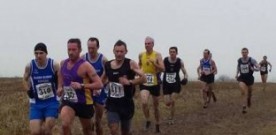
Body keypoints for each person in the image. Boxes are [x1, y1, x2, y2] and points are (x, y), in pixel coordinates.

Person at [58, 38, 103, 135]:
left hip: (84, 102)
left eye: (74, 50)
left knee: (88, 131)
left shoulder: (86, 66)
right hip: (69, 101)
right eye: (69, 49)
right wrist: (60, 87)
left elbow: (99, 84)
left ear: (80, 50)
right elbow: (60, 75)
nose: (70, 52)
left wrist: (82, 86)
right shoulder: (63, 63)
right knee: (65, 125)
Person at [103, 40, 146, 135]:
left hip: (126, 103)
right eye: (117, 51)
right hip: (112, 103)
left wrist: (130, 81)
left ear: (126, 51)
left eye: (121, 51)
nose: (119, 54)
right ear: (113, 51)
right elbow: (103, 78)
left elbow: (144, 79)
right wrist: (98, 87)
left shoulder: (130, 63)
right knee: (113, 129)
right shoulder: (108, 65)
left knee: (125, 131)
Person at [23, 43, 60, 135]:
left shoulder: (54, 64)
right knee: (35, 132)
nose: (38, 55)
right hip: (36, 104)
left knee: (47, 131)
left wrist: (59, 87)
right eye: (36, 53)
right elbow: (24, 79)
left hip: (51, 102)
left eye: (41, 53)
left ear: (46, 53)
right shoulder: (30, 65)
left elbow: (60, 78)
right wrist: (28, 90)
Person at [82, 37, 108, 135]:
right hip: (87, 91)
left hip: (99, 93)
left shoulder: (103, 60)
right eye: (89, 48)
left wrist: (100, 85)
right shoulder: (83, 58)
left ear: (98, 47)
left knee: (98, 122)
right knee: (89, 123)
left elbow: (108, 75)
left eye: (93, 48)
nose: (91, 50)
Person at [138, 36, 164, 133]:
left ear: (153, 44)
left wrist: (155, 64)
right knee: (144, 102)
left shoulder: (157, 55)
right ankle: (148, 120)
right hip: (144, 82)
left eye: (149, 43)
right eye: (145, 43)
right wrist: (139, 72)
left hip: (155, 82)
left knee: (156, 106)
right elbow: (139, 65)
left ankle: (157, 123)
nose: (147, 45)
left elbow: (163, 68)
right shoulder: (141, 55)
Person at [162, 46, 188, 124]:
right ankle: (170, 112)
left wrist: (185, 78)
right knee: (167, 103)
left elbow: (185, 72)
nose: (172, 53)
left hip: (176, 83)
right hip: (166, 83)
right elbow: (161, 69)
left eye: (174, 52)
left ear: (176, 53)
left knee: (173, 101)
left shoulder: (180, 61)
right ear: (169, 52)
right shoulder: (165, 60)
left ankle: (171, 118)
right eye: (171, 52)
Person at [235, 48, 259, 114]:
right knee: (243, 91)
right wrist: (237, 74)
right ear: (241, 53)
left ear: (248, 53)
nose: (244, 53)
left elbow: (258, 68)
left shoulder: (252, 60)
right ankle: (244, 106)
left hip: (249, 78)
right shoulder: (239, 60)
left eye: (245, 52)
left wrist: (253, 69)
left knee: (250, 92)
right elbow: (238, 67)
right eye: (243, 52)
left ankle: (249, 99)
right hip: (242, 77)